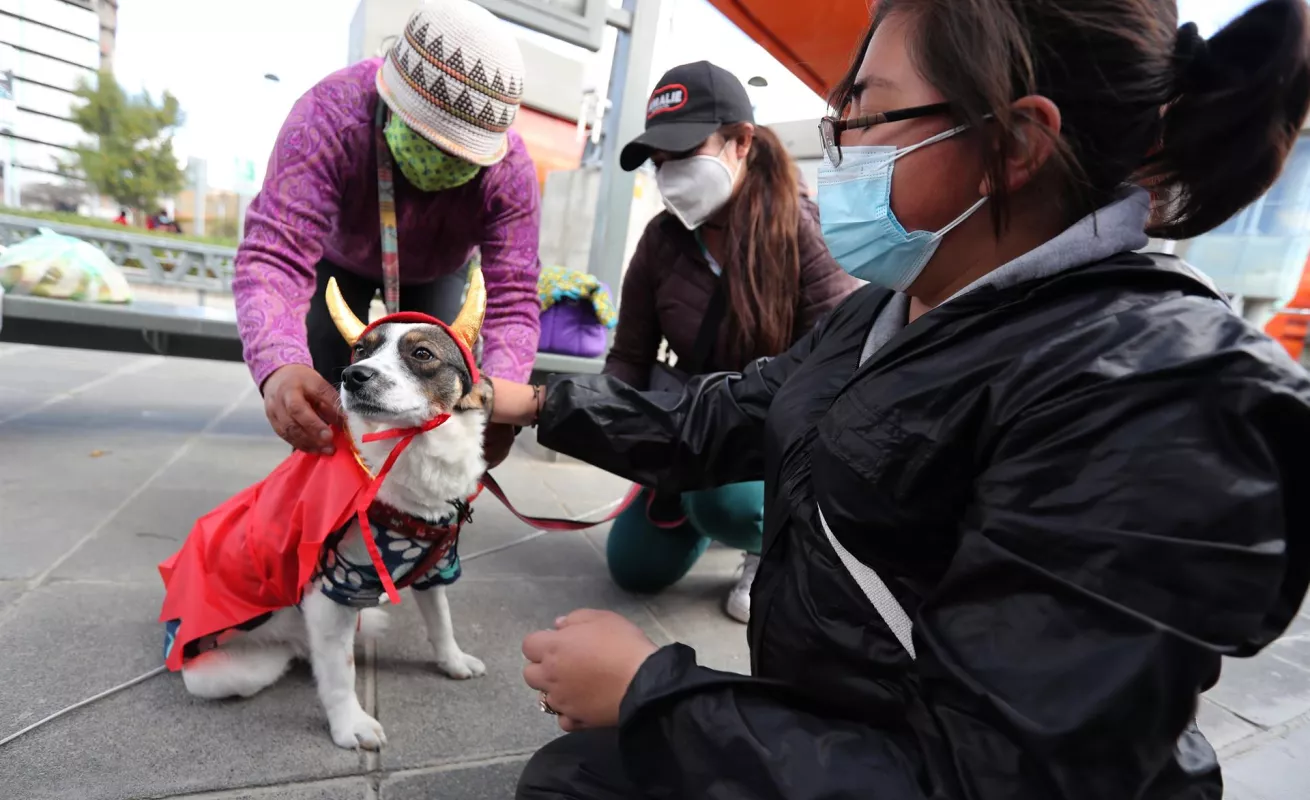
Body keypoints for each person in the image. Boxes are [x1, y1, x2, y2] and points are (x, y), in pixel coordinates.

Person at [486, 1, 1310, 797]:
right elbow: (729, 410)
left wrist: (653, 691)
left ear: (1015, 143)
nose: (839, 145)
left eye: (865, 113)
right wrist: (523, 404)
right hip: (847, 718)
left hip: (909, 758)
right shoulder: (894, 304)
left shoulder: (1147, 396)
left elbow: (995, 775)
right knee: (577, 771)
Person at [602, 61, 860, 623]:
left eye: (684, 153)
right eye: (659, 161)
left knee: (729, 502)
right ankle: (708, 512)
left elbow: (837, 365)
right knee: (632, 567)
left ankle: (764, 542)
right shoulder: (662, 240)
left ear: (741, 142)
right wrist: (612, 427)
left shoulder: (801, 232)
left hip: (769, 439)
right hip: (688, 429)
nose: (670, 173)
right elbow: (629, 356)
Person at [232, 0, 540, 469]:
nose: (439, 159)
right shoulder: (330, 113)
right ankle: (326, 485)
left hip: (438, 270)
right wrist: (278, 364)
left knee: (439, 387)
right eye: (427, 137)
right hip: (337, 259)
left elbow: (513, 297)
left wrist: (498, 405)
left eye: (459, 155)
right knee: (323, 383)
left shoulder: (510, 171)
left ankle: (417, 496)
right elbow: (275, 251)